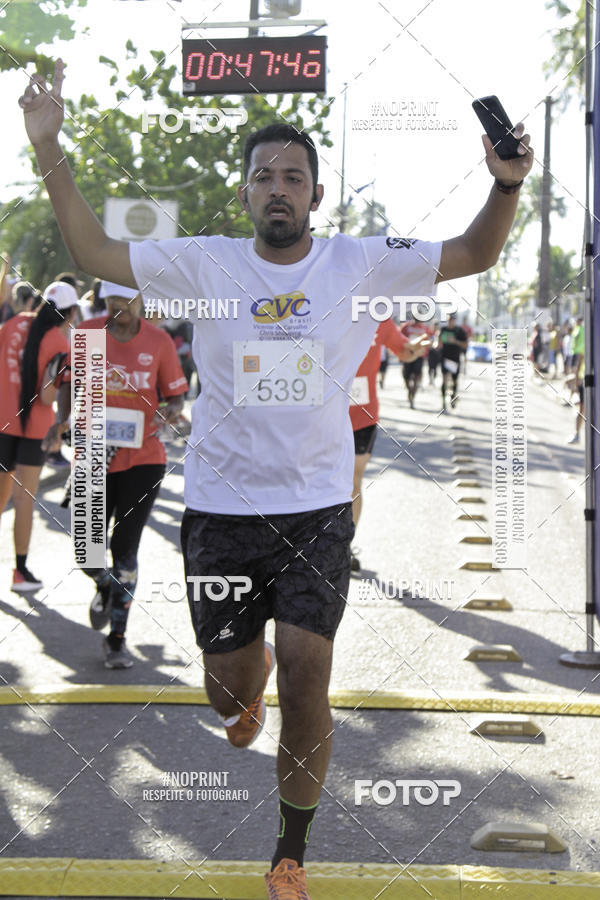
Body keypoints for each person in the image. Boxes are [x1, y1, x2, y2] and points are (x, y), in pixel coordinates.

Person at [20, 59, 533, 899]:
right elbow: (91, 248)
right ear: (246, 197)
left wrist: (506, 185)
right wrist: (49, 148)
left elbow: (473, 252)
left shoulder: (358, 262)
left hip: (319, 508)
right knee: (230, 692)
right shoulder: (205, 262)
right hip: (221, 509)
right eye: (264, 178)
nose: (279, 189)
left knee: (306, 669)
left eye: (294, 176)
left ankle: (289, 851)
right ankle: (238, 695)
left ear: (317, 197)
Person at [43, 282, 188, 668]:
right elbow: (69, 384)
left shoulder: (159, 342)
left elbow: (176, 394)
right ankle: (106, 587)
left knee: (125, 548)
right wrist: (60, 422)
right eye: (110, 303)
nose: (117, 309)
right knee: (87, 550)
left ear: (141, 301)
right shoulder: (90, 335)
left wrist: (172, 410)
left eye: (125, 302)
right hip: (93, 451)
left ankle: (117, 638)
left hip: (144, 457)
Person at [0, 281, 79, 590]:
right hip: (35, 429)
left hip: (2, 423)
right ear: (71, 313)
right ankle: (19, 573)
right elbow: (48, 399)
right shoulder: (61, 344)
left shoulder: (15, 322)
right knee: (23, 502)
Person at [349, 320, 428, 572]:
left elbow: (403, 351)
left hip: (362, 414)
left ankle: (344, 547)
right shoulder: (322, 304)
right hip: (321, 414)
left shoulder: (378, 317)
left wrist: (414, 348)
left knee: (352, 481)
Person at [399, 312, 433, 408]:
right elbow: (400, 339)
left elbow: (431, 338)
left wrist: (429, 343)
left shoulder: (425, 328)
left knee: (416, 376)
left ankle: (412, 396)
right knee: (406, 376)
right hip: (408, 355)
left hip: (419, 356)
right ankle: (409, 390)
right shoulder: (406, 327)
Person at [439, 313, 468, 411]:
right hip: (444, 358)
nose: (450, 322)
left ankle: (453, 397)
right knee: (445, 379)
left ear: (455, 321)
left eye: (452, 320)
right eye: (449, 320)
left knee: (454, 381)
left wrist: (455, 341)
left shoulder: (459, 331)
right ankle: (443, 402)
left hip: (455, 359)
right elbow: (439, 343)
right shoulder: (443, 330)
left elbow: (465, 345)